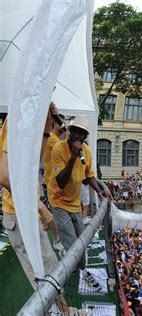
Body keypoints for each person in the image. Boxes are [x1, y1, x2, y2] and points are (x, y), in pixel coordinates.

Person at [0, 103, 67, 310]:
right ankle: (64, 312)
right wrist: (39, 206)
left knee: (48, 273)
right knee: (45, 274)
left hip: (25, 211)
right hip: (19, 213)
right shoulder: (17, 120)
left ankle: (62, 311)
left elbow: (31, 166)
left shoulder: (32, 122)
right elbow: (4, 175)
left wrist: (47, 126)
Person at [47, 114, 112, 288]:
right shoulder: (59, 149)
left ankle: (77, 264)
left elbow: (89, 176)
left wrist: (100, 190)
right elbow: (61, 181)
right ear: (69, 132)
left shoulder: (87, 152)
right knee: (72, 241)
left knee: (82, 240)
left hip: (74, 203)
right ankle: (82, 271)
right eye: (75, 132)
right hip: (58, 201)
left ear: (84, 137)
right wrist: (73, 157)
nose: (77, 136)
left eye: (81, 134)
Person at [42, 109, 67, 252]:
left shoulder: (55, 138)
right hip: (51, 182)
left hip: (54, 181)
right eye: (61, 123)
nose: (64, 125)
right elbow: (66, 149)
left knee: (58, 212)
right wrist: (67, 132)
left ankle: (59, 239)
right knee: (55, 213)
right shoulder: (52, 139)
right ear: (55, 124)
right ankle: (57, 240)